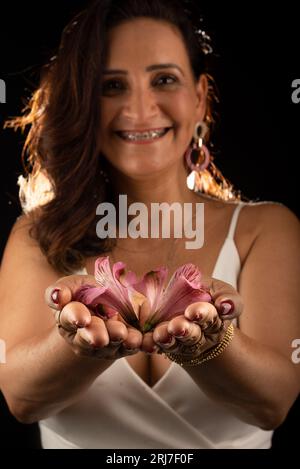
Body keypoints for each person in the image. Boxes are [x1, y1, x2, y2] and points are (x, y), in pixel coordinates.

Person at [0, 0, 299, 449]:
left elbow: (274, 401)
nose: (140, 109)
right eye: (112, 85)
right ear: (85, 103)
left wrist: (211, 346)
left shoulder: (266, 229)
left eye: (163, 79)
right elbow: (20, 398)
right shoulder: (37, 235)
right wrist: (78, 346)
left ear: (199, 98)